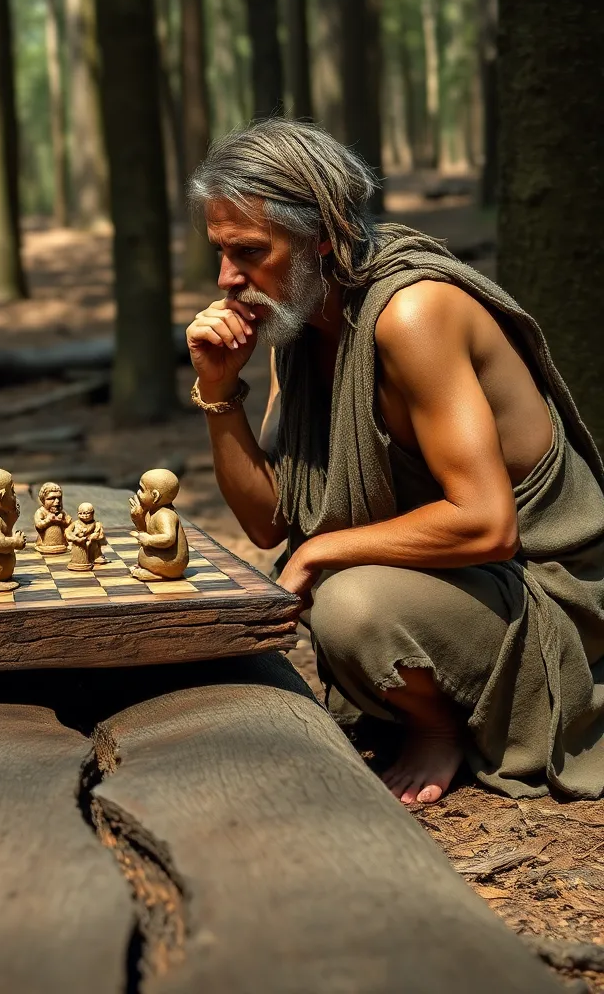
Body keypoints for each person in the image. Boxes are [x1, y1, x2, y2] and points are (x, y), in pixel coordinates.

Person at [185, 119, 604, 807]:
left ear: (323, 235)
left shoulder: (412, 314)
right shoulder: (296, 321)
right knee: (325, 582)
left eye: (250, 251)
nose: (228, 279)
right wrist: (219, 390)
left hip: (546, 594)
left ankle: (439, 729)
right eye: (221, 252)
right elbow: (268, 521)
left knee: (347, 603)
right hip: (454, 582)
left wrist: (322, 551)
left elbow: (487, 524)